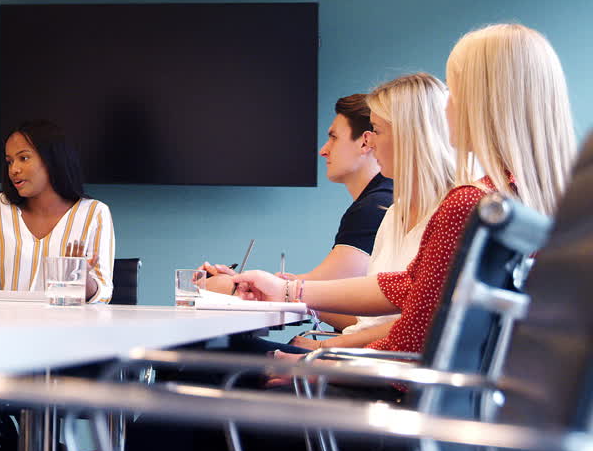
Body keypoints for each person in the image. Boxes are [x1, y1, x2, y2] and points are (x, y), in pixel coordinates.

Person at [236, 23, 577, 362]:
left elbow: (411, 340)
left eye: (455, 92)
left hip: (395, 386)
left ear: (482, 103)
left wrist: (316, 360)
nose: (446, 107)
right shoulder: (538, 205)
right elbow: (412, 286)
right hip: (466, 389)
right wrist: (290, 291)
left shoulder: (470, 203)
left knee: (220, 360)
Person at [291, 72, 457, 350]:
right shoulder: (392, 214)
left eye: (377, 131)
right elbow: (375, 314)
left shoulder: (449, 212)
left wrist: (324, 347)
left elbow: (417, 322)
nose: (371, 142)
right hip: (361, 356)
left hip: (379, 365)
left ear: (408, 136)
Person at [201, 94, 393, 332]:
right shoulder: (379, 203)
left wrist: (235, 285)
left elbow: (311, 291)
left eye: (333, 137)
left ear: (366, 142)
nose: (323, 150)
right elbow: (305, 290)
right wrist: (245, 281)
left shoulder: (375, 208)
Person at [0, 120, 116, 303]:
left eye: (23, 158)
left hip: (67, 324)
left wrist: (82, 279)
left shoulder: (95, 213)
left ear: (52, 160)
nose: (14, 169)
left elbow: (103, 294)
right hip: (8, 323)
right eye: (9, 161)